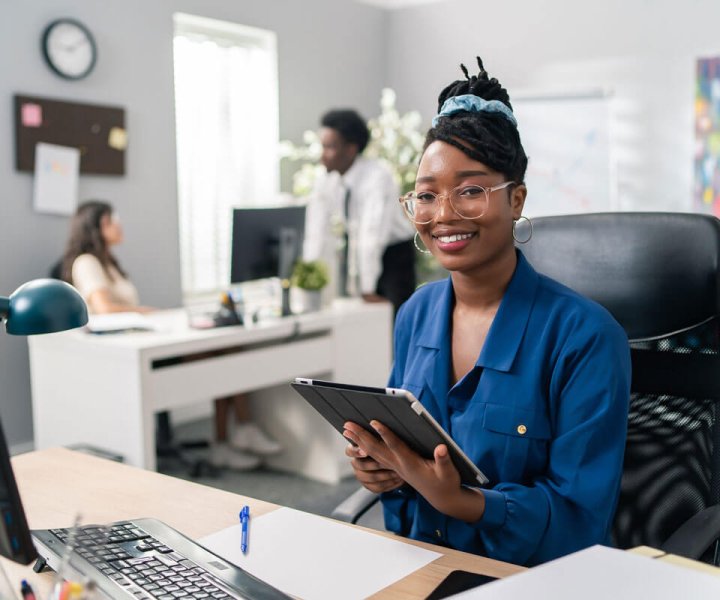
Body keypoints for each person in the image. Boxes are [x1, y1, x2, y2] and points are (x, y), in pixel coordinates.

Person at [341, 59, 631, 567]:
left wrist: (463, 503)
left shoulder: (585, 336)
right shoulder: (416, 312)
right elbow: (405, 467)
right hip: (415, 565)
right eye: (426, 195)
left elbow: (580, 521)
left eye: (471, 190)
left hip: (531, 580)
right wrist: (384, 470)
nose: (444, 213)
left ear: (516, 199)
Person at [61, 200, 280, 470]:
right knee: (222, 357)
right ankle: (237, 432)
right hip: (121, 354)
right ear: (94, 228)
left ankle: (231, 438)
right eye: (110, 220)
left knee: (228, 351)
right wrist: (145, 312)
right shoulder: (87, 262)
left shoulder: (110, 263)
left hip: (140, 341)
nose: (118, 224)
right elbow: (104, 308)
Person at [303, 109, 416, 314]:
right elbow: (316, 231)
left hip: (393, 256)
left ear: (351, 149)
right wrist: (309, 280)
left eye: (329, 147)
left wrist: (367, 287)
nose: (322, 155)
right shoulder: (326, 180)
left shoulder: (377, 177)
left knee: (396, 322)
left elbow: (372, 234)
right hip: (359, 250)